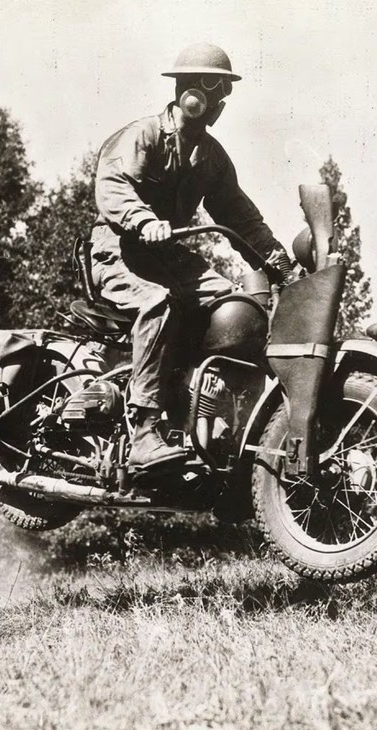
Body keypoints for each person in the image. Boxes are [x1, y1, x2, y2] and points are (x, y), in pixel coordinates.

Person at [91, 42, 292, 471]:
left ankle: (210, 420)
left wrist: (278, 260)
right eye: (209, 86)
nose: (216, 98)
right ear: (185, 89)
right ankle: (143, 428)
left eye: (223, 90)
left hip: (166, 256)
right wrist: (143, 220)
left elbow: (239, 215)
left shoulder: (210, 157)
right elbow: (112, 186)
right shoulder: (144, 135)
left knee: (235, 308)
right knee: (158, 303)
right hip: (118, 251)